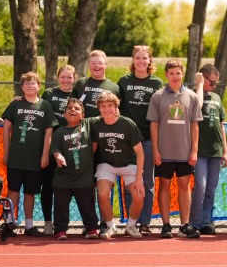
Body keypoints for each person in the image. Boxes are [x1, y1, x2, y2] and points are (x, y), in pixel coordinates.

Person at [147, 59, 202, 239]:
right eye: (171, 73)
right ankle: (166, 225)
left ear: (182, 74)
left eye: (178, 73)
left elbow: (195, 126)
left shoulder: (192, 96)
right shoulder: (157, 96)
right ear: (166, 75)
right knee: (164, 186)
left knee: (184, 186)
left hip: (185, 152)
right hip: (164, 151)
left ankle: (184, 225)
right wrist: (155, 150)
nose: (175, 76)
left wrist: (194, 150)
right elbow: (154, 126)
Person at [2, 72, 57, 236]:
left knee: (30, 192)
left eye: (33, 83)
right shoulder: (15, 105)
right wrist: (6, 153)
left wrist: (45, 154)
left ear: (39, 86)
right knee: (13, 191)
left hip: (36, 159)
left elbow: (49, 132)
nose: (29, 86)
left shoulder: (45, 105)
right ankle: (9, 223)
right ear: (22, 87)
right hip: (17, 157)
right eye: (26, 84)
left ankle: (29, 226)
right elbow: (6, 129)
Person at [117, 45, 164, 236]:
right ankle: (131, 222)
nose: (141, 61)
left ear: (150, 61)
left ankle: (145, 222)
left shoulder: (157, 82)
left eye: (145, 58)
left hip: (147, 138)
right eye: (138, 58)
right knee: (130, 182)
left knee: (147, 182)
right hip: (128, 140)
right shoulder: (124, 81)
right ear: (133, 60)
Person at [89, 92, 145, 239]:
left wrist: (139, 179)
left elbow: (140, 153)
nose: (106, 109)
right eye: (103, 106)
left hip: (129, 164)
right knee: (102, 193)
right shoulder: (95, 125)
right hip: (107, 163)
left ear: (116, 107)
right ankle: (110, 226)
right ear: (99, 109)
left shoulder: (127, 124)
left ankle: (131, 226)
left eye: (110, 106)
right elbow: (92, 150)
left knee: (139, 195)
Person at [50, 98, 99, 240]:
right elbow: (55, 150)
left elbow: (104, 115)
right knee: (61, 207)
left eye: (77, 108)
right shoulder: (60, 132)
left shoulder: (88, 125)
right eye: (69, 108)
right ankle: (60, 230)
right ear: (64, 114)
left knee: (88, 206)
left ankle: (91, 229)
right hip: (63, 178)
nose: (73, 110)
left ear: (83, 115)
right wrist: (59, 157)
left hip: (84, 178)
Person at [190, 64, 227, 235]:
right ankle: (195, 222)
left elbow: (222, 125)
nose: (213, 86)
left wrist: (225, 150)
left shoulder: (216, 98)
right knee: (201, 186)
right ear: (201, 77)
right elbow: (196, 109)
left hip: (215, 149)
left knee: (211, 189)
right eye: (211, 82)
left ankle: (206, 221)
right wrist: (199, 85)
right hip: (199, 150)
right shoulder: (191, 95)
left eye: (216, 83)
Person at [39, 64, 77, 235]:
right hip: (51, 144)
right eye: (63, 77)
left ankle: (64, 223)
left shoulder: (77, 96)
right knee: (48, 185)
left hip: (72, 145)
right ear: (57, 78)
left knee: (68, 187)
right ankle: (48, 222)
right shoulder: (49, 94)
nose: (66, 80)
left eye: (69, 77)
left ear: (74, 79)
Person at [73, 50, 120, 119]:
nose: (96, 66)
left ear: (105, 65)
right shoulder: (81, 83)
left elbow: (118, 112)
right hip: (83, 126)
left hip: (104, 127)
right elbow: (72, 104)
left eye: (100, 63)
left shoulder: (114, 88)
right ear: (89, 65)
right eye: (93, 63)